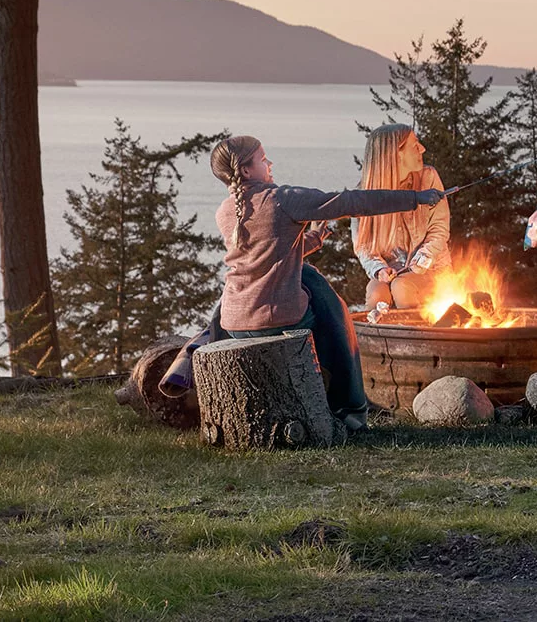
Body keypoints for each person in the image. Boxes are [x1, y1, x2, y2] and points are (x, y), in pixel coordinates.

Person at [163, 135, 443, 432]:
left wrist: (314, 240)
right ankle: (352, 407)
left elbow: (264, 254)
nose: (270, 164)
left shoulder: (226, 210)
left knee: (303, 273)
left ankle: (193, 355)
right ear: (246, 171)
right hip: (275, 318)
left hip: (233, 320)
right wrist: (415, 199)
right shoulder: (283, 198)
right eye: (263, 159)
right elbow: (351, 201)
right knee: (329, 304)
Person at [352, 124, 449, 310]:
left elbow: (439, 229)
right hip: (391, 273)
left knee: (402, 286)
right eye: (415, 145)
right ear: (396, 154)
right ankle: (377, 338)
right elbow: (363, 245)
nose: (422, 149)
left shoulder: (428, 178)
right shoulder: (363, 194)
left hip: (430, 270)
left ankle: (418, 337)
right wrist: (379, 269)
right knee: (376, 294)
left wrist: (421, 260)